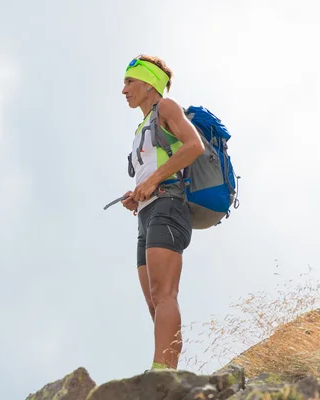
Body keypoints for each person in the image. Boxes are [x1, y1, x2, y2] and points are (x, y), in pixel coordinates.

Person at [120, 54, 205, 370]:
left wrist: (154, 180)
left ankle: (163, 373)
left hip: (169, 206)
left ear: (148, 83)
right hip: (147, 213)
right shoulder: (142, 125)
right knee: (155, 301)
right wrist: (137, 194)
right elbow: (154, 168)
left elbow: (194, 146)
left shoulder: (166, 108)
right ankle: (166, 368)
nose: (124, 90)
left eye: (130, 82)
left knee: (164, 293)